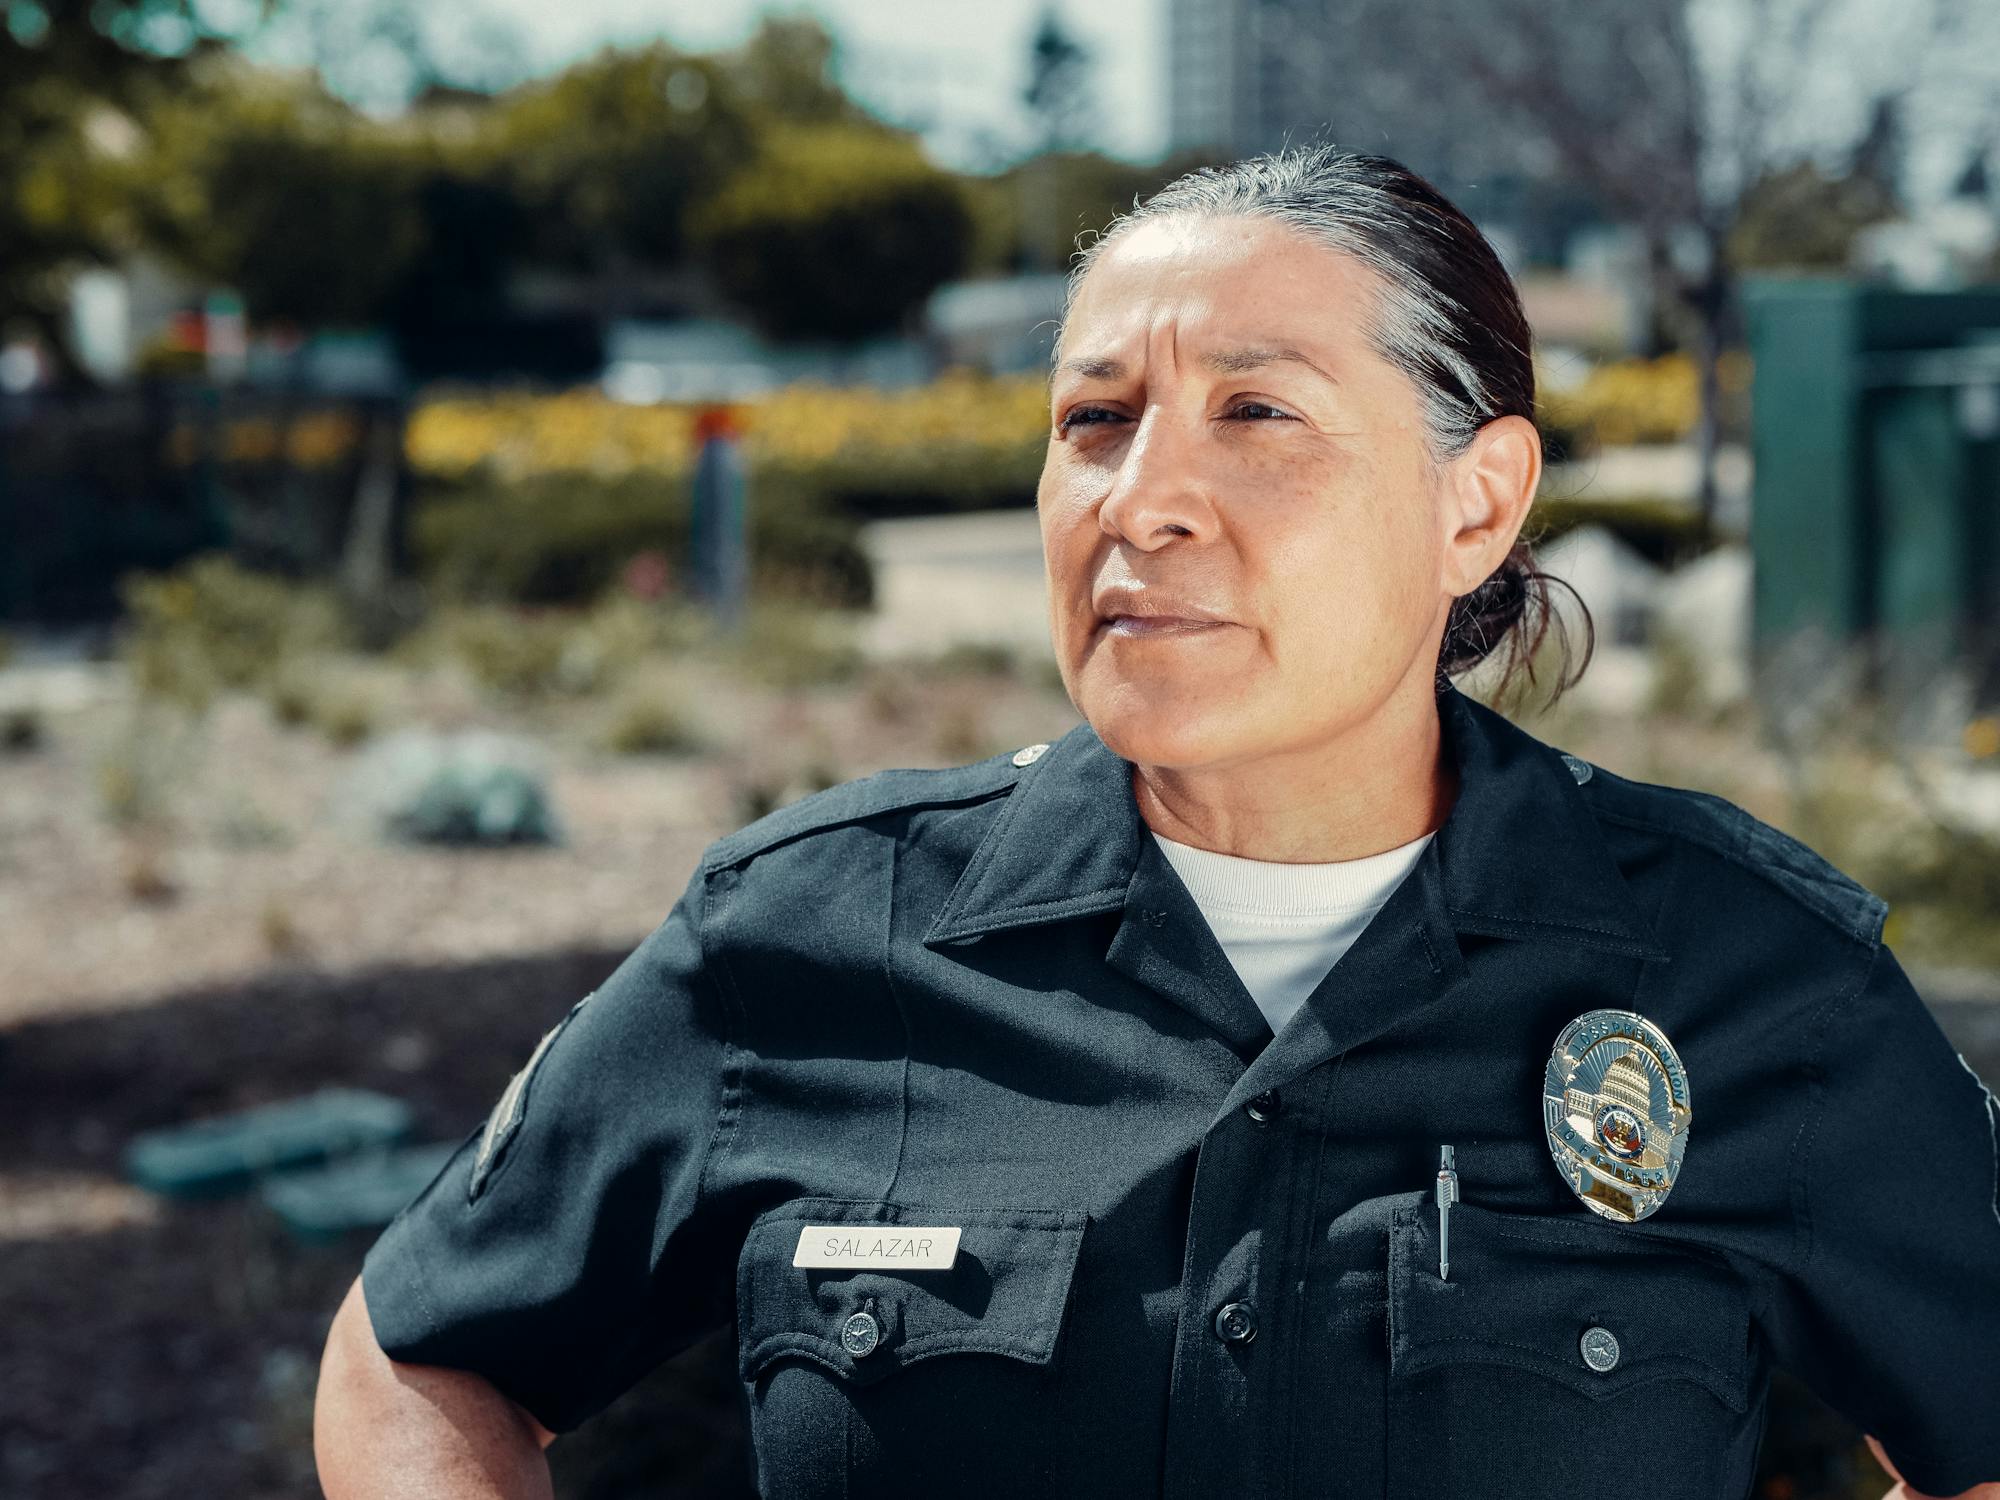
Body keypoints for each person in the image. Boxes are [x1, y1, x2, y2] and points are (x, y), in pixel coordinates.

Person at [313, 145, 2000, 1500]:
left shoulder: (1748, 978)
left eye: (1256, 415)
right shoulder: (802, 938)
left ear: (1474, 504)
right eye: (1092, 421)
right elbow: (420, 1353)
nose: (1143, 500)